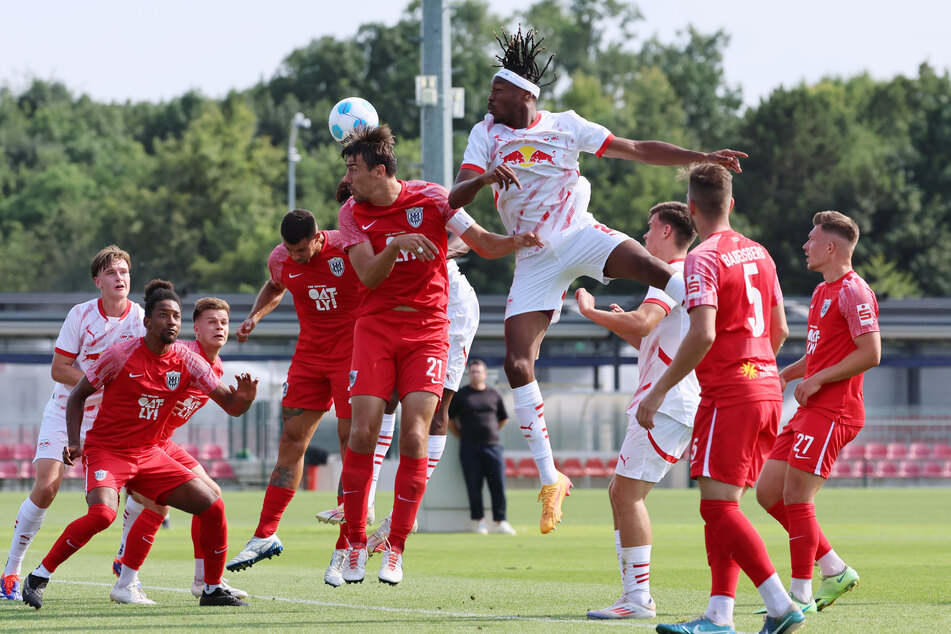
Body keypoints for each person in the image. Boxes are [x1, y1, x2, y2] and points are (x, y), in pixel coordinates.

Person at [447, 26, 747, 534]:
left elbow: (636, 148)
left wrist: (701, 156)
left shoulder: (566, 125)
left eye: (497, 90)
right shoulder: (486, 134)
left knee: (661, 271)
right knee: (517, 364)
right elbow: (455, 197)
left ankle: (733, 328)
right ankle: (551, 479)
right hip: (534, 257)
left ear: (523, 94)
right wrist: (484, 178)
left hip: (579, 234)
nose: (489, 97)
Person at [335, 124, 541, 585]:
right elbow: (368, 275)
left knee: (414, 436)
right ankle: (352, 542)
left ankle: (395, 549)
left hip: (428, 331)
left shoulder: (430, 198)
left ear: (381, 169)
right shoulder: (353, 213)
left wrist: (519, 242)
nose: (348, 180)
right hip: (375, 327)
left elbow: (484, 243)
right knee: (363, 433)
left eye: (354, 169)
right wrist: (395, 245)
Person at [635, 164, 804, 634]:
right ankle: (719, 615)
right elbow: (781, 330)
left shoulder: (702, 258)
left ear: (691, 208)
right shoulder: (761, 253)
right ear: (730, 204)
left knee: (717, 508)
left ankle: (779, 603)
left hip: (731, 392)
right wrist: (757, 371)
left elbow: (703, 332)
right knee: (723, 504)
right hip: (766, 389)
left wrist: (660, 388)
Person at [20, 280, 257, 610]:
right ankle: (38, 576)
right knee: (103, 514)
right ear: (147, 322)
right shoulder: (120, 354)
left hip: (149, 453)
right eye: (163, 315)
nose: (170, 321)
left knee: (212, 504)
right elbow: (77, 396)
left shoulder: (190, 362)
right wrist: (75, 443)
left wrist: (244, 401)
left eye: (175, 315)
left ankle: (211, 588)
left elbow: (231, 406)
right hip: (108, 451)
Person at [225, 208, 362, 589]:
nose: (296, 257)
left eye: (302, 250)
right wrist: (256, 316)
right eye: (290, 249)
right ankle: (265, 534)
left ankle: (348, 544)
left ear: (319, 237)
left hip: (353, 355)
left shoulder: (349, 249)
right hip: (309, 357)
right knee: (290, 440)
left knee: (351, 444)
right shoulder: (281, 258)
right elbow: (276, 284)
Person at [576, 202, 700, 620]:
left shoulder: (668, 276)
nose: (644, 237)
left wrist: (592, 311)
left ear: (666, 232)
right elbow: (649, 339)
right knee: (623, 493)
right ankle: (633, 594)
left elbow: (644, 324)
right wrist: (618, 321)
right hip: (670, 401)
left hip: (665, 402)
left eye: (649, 229)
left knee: (626, 495)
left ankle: (638, 599)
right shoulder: (683, 278)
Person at [1, 246, 145, 602]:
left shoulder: (138, 317)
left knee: (145, 486)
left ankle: (125, 559)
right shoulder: (80, 316)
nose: (119, 278)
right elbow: (59, 369)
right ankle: (10, 573)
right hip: (67, 411)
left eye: (124, 272)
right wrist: (97, 381)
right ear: (98, 281)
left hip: (110, 422)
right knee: (47, 485)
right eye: (111, 273)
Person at [754, 211, 879, 612]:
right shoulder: (821, 291)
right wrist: (788, 375)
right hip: (812, 406)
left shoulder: (854, 291)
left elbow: (871, 353)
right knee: (768, 493)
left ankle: (800, 596)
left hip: (835, 410)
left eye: (811, 239)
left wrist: (820, 380)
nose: (805, 246)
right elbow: (818, 354)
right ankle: (834, 567)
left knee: (796, 496)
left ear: (832, 247)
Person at [112, 297, 248, 600]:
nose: (219, 327)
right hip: (138, 444)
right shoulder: (180, 354)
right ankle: (124, 583)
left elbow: (231, 406)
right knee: (158, 507)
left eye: (224, 322)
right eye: (211, 322)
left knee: (211, 496)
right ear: (196, 329)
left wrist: (244, 398)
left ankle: (204, 581)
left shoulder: (216, 367)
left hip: (162, 442)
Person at [361, 234, 485, 552]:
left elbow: (469, 237)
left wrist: (438, 252)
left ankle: (405, 512)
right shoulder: (359, 226)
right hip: (403, 311)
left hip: (450, 312)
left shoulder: (419, 201)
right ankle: (368, 499)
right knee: (384, 398)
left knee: (435, 411)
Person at [448, 359, 514, 535]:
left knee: (498, 484)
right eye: (472, 371)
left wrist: (490, 432)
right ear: (469, 374)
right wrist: (462, 435)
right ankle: (480, 522)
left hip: (493, 446)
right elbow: (449, 420)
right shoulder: (461, 395)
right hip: (469, 447)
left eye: (479, 371)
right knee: (473, 484)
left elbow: (503, 418)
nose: (475, 374)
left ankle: (501, 521)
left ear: (485, 374)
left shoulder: (494, 394)